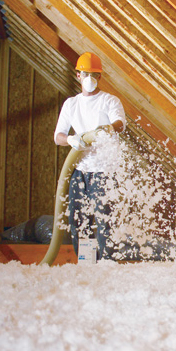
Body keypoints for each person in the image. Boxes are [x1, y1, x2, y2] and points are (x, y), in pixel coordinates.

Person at [54, 52, 125, 260]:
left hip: (104, 170)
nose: (90, 79)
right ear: (78, 75)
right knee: (80, 219)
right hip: (80, 170)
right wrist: (71, 140)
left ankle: (107, 263)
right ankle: (87, 262)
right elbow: (58, 136)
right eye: (86, 74)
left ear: (100, 77)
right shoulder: (71, 104)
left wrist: (107, 129)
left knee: (104, 219)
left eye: (94, 74)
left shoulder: (109, 101)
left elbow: (120, 124)